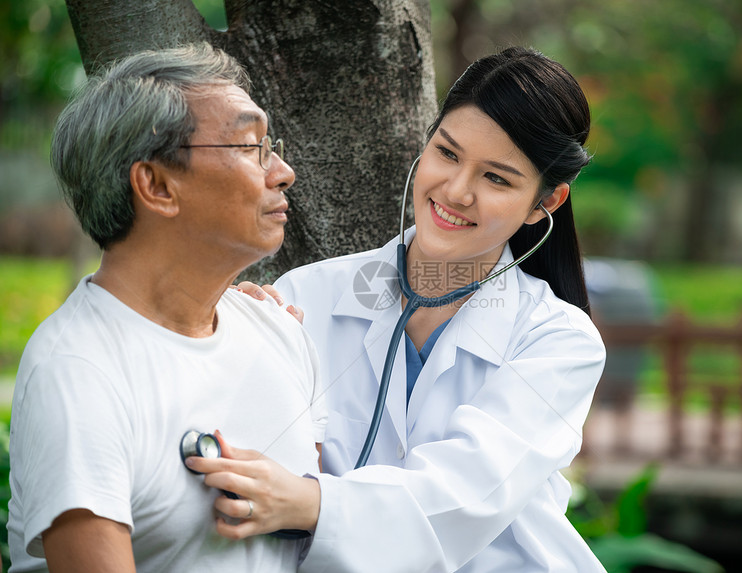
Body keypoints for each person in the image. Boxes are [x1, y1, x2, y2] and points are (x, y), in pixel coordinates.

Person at [190, 46, 606, 572]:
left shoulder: (559, 340)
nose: (456, 191)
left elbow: (469, 490)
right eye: (448, 154)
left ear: (545, 203)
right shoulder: (305, 297)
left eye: (496, 178)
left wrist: (310, 503)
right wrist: (232, 332)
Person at [7, 44, 327, 573]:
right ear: (156, 185)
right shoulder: (78, 372)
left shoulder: (279, 332)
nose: (283, 172)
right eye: (250, 147)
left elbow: (317, 547)